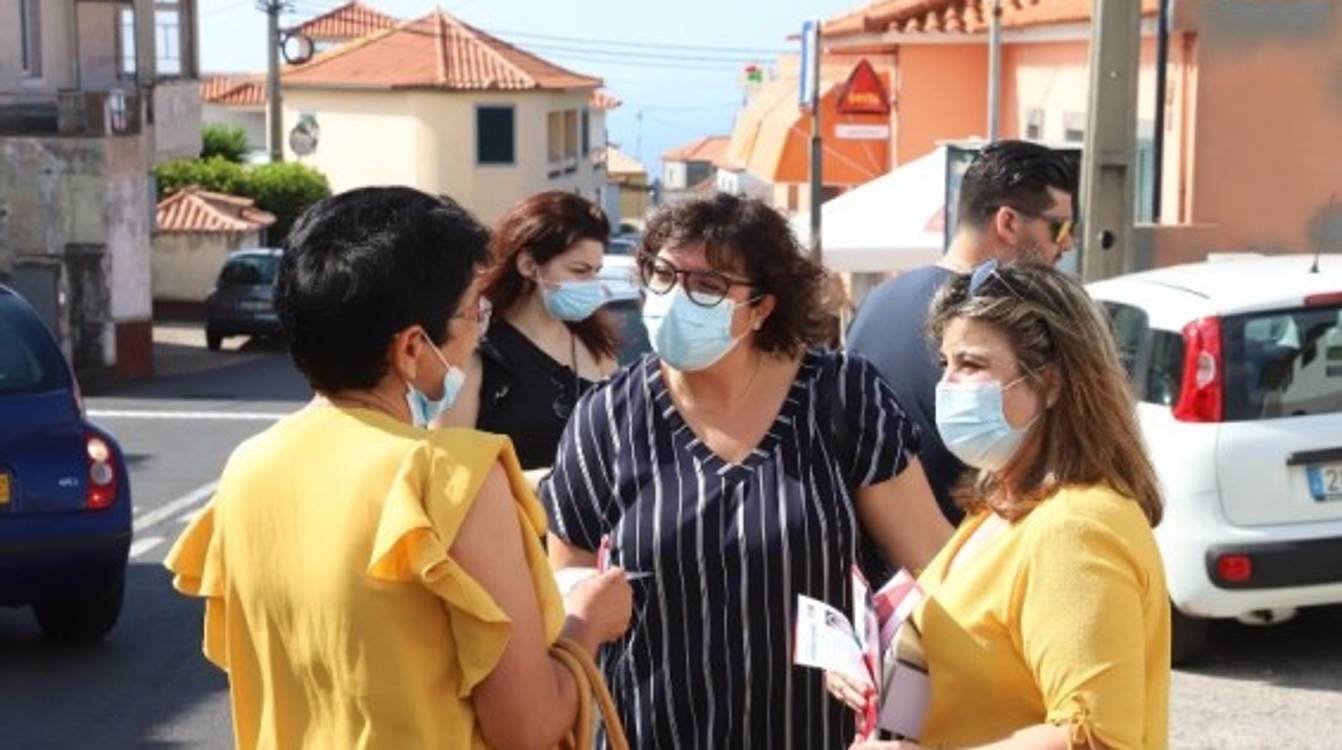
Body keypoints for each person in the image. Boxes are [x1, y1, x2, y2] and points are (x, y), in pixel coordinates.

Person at [164, 187, 632, 750]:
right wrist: (587, 622)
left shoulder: (248, 468)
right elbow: (528, 728)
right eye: (470, 314)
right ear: (412, 348)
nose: (477, 332)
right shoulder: (452, 477)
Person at [541, 194, 954, 750]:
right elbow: (567, 609)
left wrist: (909, 714)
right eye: (662, 274)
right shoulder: (608, 417)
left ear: (762, 308)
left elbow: (938, 574)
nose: (674, 297)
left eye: (708, 286)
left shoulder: (842, 396)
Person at [830, 261, 1170, 750]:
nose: (948, 385)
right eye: (945, 364)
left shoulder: (1075, 527)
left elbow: (1094, 736)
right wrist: (864, 663)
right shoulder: (1001, 505)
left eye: (972, 364)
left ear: (1052, 382)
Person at [845, 140, 1076, 523]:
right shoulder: (998, 321)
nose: (1067, 243)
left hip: (882, 562)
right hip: (961, 556)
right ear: (1008, 223)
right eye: (1059, 226)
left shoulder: (877, 301)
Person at [434, 191, 620, 471]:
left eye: (596, 271)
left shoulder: (598, 347)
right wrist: (551, 485)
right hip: (509, 513)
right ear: (528, 265)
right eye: (580, 270)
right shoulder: (475, 354)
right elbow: (451, 472)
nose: (591, 284)